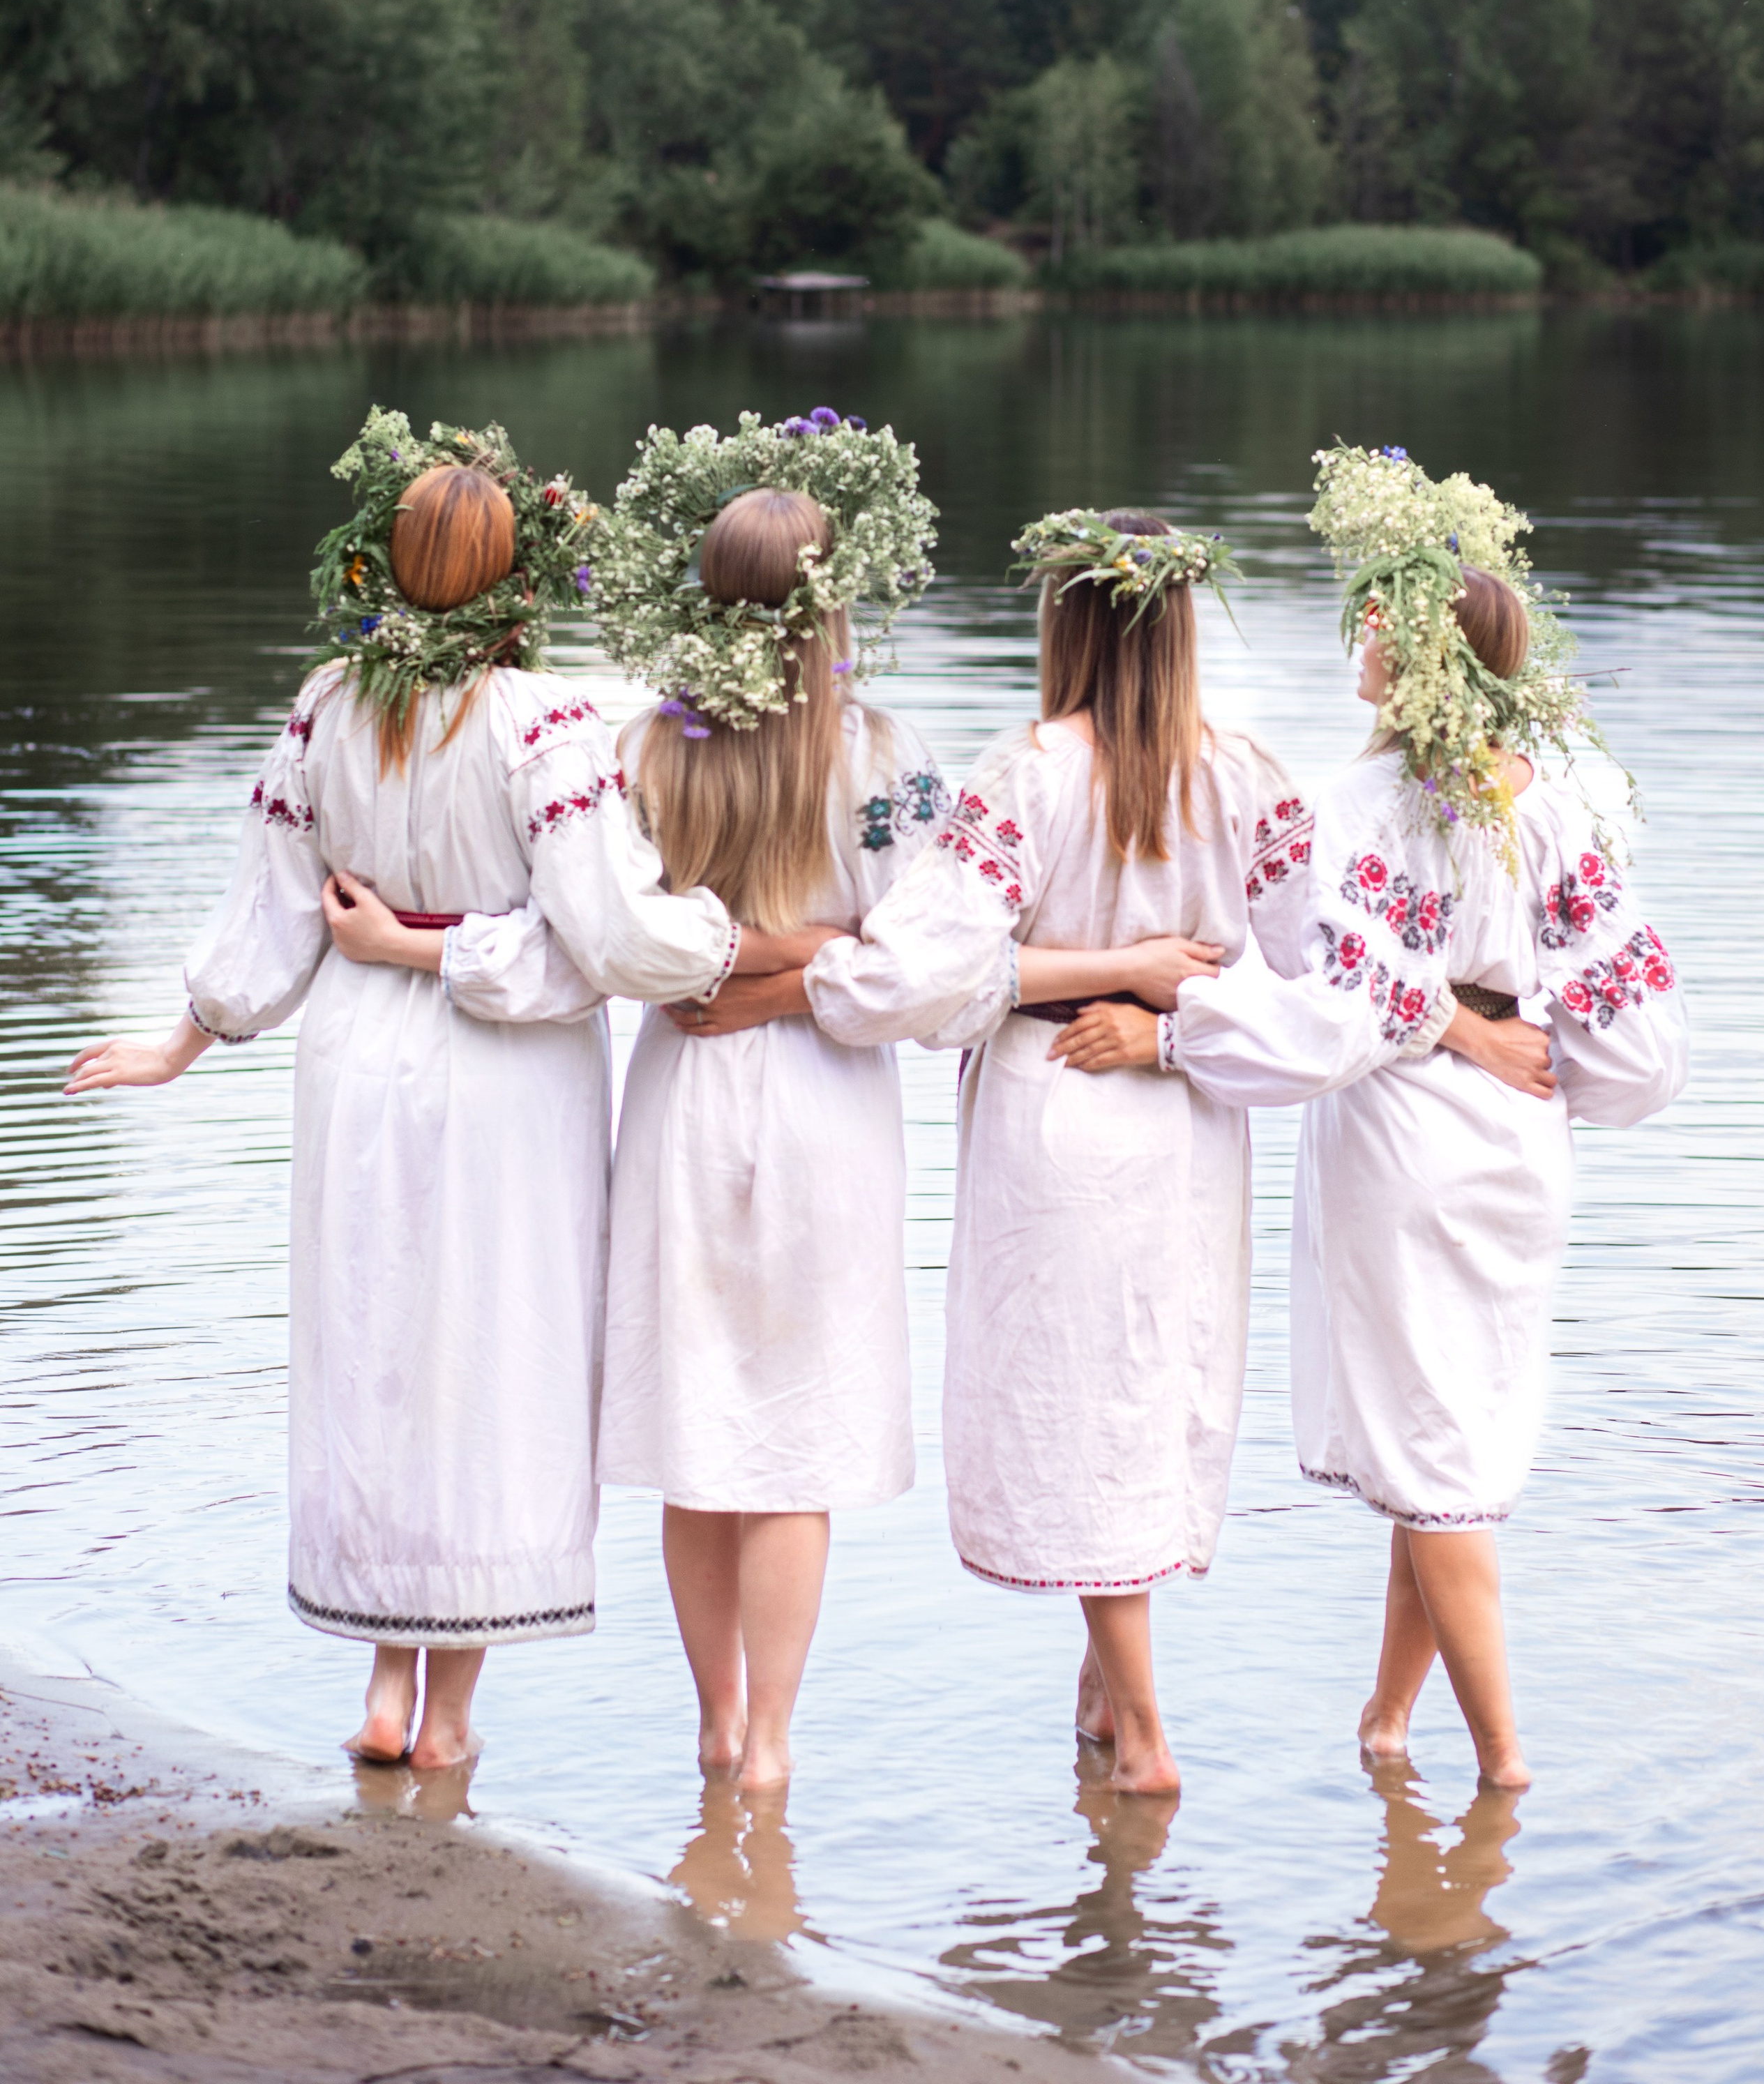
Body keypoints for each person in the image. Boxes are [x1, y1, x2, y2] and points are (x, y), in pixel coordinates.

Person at [65, 411, 815, 1772]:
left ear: (384, 564)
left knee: (377, 1344)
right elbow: (603, 935)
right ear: (513, 578)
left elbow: (272, 917)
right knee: (492, 1356)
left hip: (356, 1053)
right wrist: (722, 944)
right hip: (500, 1075)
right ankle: (451, 1719)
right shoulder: (544, 721)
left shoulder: (327, 705)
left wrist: (183, 1039)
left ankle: (378, 1683)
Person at [334, 410, 1026, 1791]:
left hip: (681, 1102)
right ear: (833, 606)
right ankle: (768, 1744)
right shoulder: (885, 761)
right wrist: (819, 959)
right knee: (794, 1449)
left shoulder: (638, 753)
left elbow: (581, 946)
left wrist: (417, 946)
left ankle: (712, 1725)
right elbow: (949, 964)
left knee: (701, 1431)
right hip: (829, 1112)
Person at [1056, 448, 1688, 1790]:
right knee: (1441, 1440)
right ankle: (1387, 1724)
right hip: (1521, 1138)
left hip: (1405, 1144)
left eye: (1383, 630)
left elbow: (1329, 1013)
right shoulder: (1565, 808)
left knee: (1432, 1448)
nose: (1363, 643)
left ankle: (1507, 1763)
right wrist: (1529, 1046)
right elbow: (1640, 1042)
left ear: (1426, 663)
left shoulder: (1355, 812)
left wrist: (1174, 1035)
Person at [684, 507, 1324, 1795]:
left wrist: (774, 982)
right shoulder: (1252, 777)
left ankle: (1143, 1739)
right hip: (1185, 1132)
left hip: (1053, 1110)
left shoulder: (1026, 773)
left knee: (1079, 1413)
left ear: (1065, 624)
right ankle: (1107, 1699)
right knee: (1143, 1402)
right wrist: (1177, 1027)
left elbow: (920, 974)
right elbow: (1327, 987)